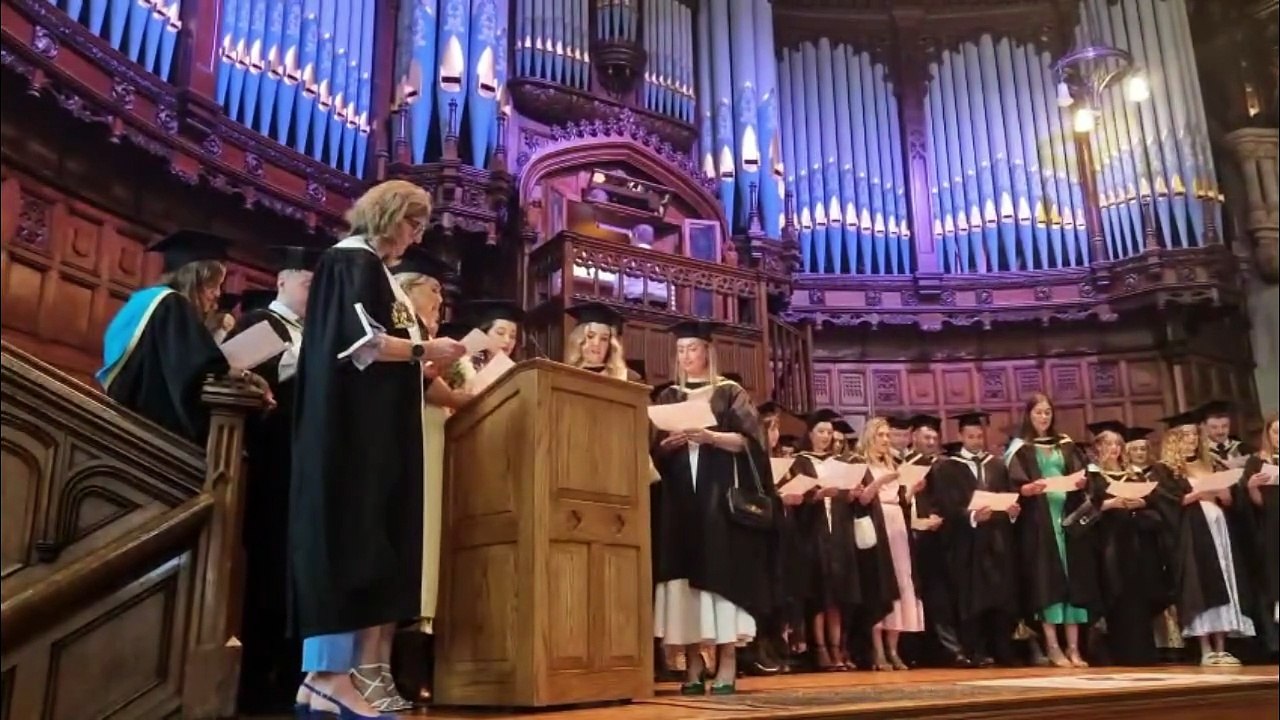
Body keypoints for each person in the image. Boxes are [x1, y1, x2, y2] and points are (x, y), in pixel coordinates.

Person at [289, 180, 469, 718]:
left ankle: (321, 686)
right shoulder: (354, 263)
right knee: (349, 534)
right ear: (391, 216)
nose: (415, 238)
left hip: (367, 427)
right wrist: (425, 347)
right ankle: (328, 677)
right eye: (414, 225)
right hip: (354, 431)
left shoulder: (369, 268)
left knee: (359, 536)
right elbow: (361, 344)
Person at [649, 320, 775, 696]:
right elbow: (653, 448)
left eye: (693, 349)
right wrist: (667, 445)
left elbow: (752, 443)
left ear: (708, 351)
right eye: (681, 350)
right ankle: (691, 663)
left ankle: (727, 661)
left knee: (719, 575)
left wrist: (710, 437)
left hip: (716, 496)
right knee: (682, 581)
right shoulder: (669, 395)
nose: (687, 356)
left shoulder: (728, 393)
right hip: (679, 498)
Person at [226, 245, 321, 714]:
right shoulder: (261, 324)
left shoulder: (318, 331)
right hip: (274, 460)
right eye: (307, 282)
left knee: (299, 573)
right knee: (269, 571)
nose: (313, 292)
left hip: (310, 463)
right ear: (282, 280)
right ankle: (256, 681)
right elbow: (233, 373)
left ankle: (293, 675)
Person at [97, 229, 271, 444]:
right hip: (155, 433)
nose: (217, 294)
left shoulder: (144, 300)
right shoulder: (172, 304)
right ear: (194, 280)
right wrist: (245, 376)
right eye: (213, 285)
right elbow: (198, 368)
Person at [1150, 409, 1255, 667]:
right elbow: (1169, 503)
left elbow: (1230, 500)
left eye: (1195, 435)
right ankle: (1205, 647)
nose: (1192, 440)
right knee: (1201, 584)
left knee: (1225, 581)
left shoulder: (1211, 464)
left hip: (1219, 530)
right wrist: (1199, 493)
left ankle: (1222, 646)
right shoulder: (1165, 470)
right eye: (1185, 436)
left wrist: (1225, 495)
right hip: (1192, 535)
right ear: (1174, 439)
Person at [1004, 393, 1095, 668]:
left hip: (1067, 517)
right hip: (1039, 522)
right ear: (1028, 415)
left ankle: (1074, 648)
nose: (1044, 417)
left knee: (1072, 581)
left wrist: (1081, 482)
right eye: (1038, 413)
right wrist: (1027, 489)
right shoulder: (1020, 448)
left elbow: (1083, 474)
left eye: (1047, 412)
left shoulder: (1065, 444)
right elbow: (1014, 484)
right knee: (1048, 583)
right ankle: (1053, 648)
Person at [929, 412, 1020, 667]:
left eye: (980, 436)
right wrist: (970, 516)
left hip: (997, 540)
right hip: (967, 544)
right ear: (960, 437)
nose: (976, 441)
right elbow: (945, 506)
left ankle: (1002, 648)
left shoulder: (996, 465)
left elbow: (1008, 495)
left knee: (1000, 597)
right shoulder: (947, 468)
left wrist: (1012, 512)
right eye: (971, 436)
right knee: (974, 599)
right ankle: (975, 650)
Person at [1085, 420, 1170, 666]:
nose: (1113, 448)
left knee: (1139, 595)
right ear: (1098, 447)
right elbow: (1086, 507)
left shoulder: (1133, 474)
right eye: (1108, 443)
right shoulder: (1092, 475)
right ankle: (1116, 652)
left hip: (1136, 542)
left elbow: (1156, 503)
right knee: (1116, 594)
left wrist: (1140, 503)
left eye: (1117, 444)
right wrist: (1110, 504)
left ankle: (1142, 652)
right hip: (1107, 543)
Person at [790, 409, 860, 671]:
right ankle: (819, 650)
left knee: (838, 596)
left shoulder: (841, 463)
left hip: (838, 533)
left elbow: (847, 500)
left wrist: (850, 495)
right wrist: (815, 498)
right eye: (821, 431)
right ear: (810, 434)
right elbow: (794, 498)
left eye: (829, 433)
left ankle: (837, 648)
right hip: (812, 533)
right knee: (819, 595)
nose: (826, 437)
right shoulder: (800, 462)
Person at [859, 417, 926, 671]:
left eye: (888, 436)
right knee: (881, 585)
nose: (886, 440)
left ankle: (893, 649)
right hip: (878, 526)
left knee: (901, 584)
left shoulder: (894, 464)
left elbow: (901, 501)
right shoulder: (862, 465)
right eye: (881, 435)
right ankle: (877, 651)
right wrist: (879, 482)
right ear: (870, 437)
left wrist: (911, 490)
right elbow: (862, 500)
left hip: (898, 525)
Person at [1239, 413, 1279, 654]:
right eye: (1276, 431)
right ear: (1268, 434)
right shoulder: (1257, 462)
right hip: (1271, 529)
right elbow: (1255, 504)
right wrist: (1252, 486)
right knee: (1273, 584)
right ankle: (1273, 642)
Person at [563, 302, 643, 381]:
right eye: (590, 336)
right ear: (579, 340)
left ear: (611, 345)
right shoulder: (564, 374)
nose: (596, 343)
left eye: (604, 339)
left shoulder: (627, 377)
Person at [1198, 400, 1252, 471]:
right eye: (1214, 427)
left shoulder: (1243, 448)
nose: (1220, 431)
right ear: (1204, 427)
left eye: (1224, 426)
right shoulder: (1200, 454)